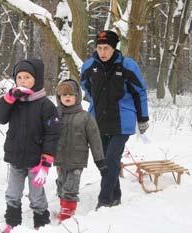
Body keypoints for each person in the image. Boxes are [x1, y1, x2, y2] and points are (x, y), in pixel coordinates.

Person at [80, 30, 149, 209]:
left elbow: (139, 91)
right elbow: (86, 87)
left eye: (107, 48)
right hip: (98, 121)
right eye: (100, 48)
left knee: (111, 160)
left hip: (122, 121)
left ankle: (103, 201)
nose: (103, 52)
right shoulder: (89, 66)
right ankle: (116, 195)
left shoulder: (127, 66)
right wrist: (96, 102)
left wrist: (142, 117)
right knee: (104, 162)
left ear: (114, 48)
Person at [0, 58, 61, 232]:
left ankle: (41, 222)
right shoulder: (13, 101)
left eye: (27, 77)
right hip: (15, 158)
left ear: (36, 80)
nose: (22, 81)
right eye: (19, 77)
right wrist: (8, 98)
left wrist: (46, 161)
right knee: (12, 193)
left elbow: (53, 134)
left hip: (36, 161)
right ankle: (12, 222)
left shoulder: (45, 105)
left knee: (37, 196)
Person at [54, 79, 108, 221]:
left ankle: (67, 213)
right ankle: (63, 205)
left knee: (71, 186)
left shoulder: (86, 117)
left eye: (71, 94)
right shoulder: (55, 115)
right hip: (59, 158)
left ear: (77, 96)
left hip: (77, 160)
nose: (67, 97)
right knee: (61, 183)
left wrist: (100, 160)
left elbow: (95, 140)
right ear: (59, 97)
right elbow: (47, 135)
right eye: (64, 94)